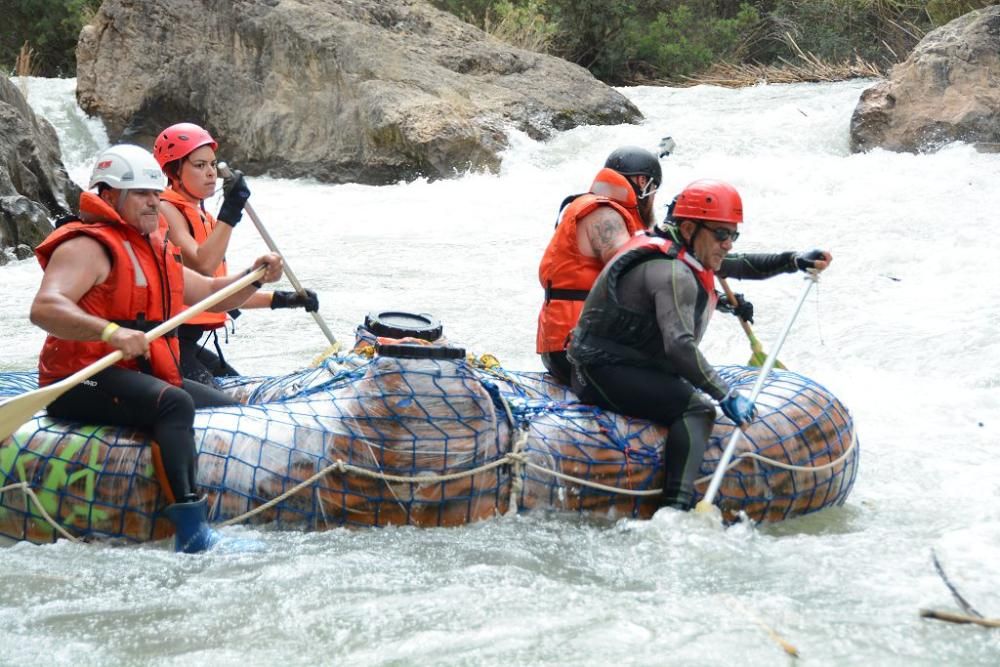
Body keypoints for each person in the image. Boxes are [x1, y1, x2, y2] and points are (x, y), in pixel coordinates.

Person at [29, 144, 285, 553]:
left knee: (228, 410)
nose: (154, 202)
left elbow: (212, 294)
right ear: (110, 195)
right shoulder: (86, 247)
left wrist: (254, 277)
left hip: (130, 374)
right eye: (141, 194)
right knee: (174, 404)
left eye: (155, 192)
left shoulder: (154, 248)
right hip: (79, 380)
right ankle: (191, 531)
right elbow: (45, 308)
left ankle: (230, 505)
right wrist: (111, 332)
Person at [567, 179, 832, 511]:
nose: (728, 245)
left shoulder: (685, 250)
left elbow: (741, 265)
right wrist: (726, 395)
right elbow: (679, 347)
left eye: (733, 235)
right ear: (690, 228)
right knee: (698, 409)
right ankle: (675, 508)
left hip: (624, 363)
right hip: (601, 371)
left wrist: (793, 260)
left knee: (691, 391)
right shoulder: (671, 272)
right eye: (721, 235)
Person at [152, 122, 318, 386]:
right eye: (199, 165)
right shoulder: (166, 210)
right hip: (167, 340)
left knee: (246, 388)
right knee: (228, 405)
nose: (210, 173)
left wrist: (284, 299)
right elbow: (203, 266)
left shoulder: (202, 216)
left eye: (212, 164)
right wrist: (230, 213)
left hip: (187, 342)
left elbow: (219, 294)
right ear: (174, 171)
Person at [536, 146, 662, 384]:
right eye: (654, 190)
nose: (654, 198)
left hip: (563, 345)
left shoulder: (592, 207)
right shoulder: (605, 216)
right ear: (643, 182)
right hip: (577, 349)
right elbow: (636, 272)